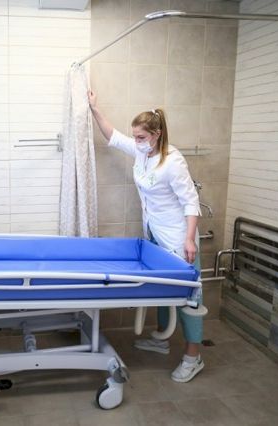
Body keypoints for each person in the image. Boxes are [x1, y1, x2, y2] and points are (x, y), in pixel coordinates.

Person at [88, 90, 204, 383]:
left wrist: (189, 239)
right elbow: (113, 136)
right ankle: (162, 339)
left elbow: (191, 201)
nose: (136, 141)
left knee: (189, 298)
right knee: (162, 289)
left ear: (157, 134)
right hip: (154, 232)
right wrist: (94, 108)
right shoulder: (143, 151)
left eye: (141, 136)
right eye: (135, 136)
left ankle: (193, 357)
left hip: (178, 238)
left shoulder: (173, 162)